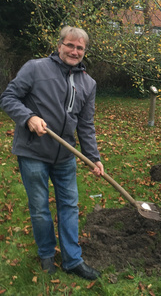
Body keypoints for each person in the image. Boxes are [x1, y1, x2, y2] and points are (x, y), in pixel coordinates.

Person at [0, 26, 104, 280]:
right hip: (33, 152)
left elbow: (86, 125)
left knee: (69, 206)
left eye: (80, 48)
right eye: (70, 45)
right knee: (39, 208)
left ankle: (72, 260)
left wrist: (93, 157)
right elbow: (8, 97)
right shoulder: (35, 68)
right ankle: (46, 254)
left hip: (66, 157)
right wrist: (28, 117)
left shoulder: (88, 83)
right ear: (59, 46)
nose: (74, 51)